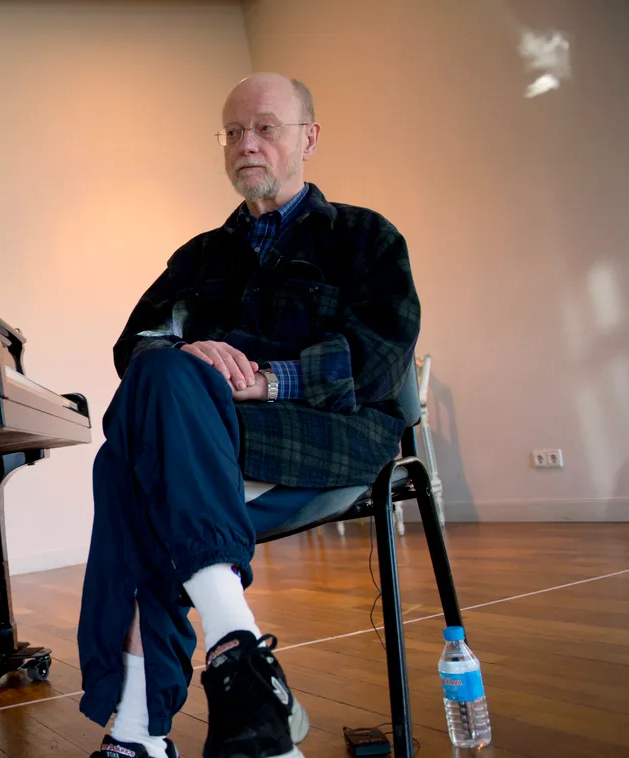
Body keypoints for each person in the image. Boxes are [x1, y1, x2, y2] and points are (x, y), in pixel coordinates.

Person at [76, 73, 421, 758]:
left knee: (129, 469)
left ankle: (140, 732)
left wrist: (264, 380)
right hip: (211, 446)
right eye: (232, 132)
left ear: (308, 138)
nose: (246, 143)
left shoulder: (364, 238)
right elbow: (133, 346)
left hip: (328, 436)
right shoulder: (197, 256)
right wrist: (186, 352)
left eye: (264, 127)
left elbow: (379, 360)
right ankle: (239, 663)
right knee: (158, 374)